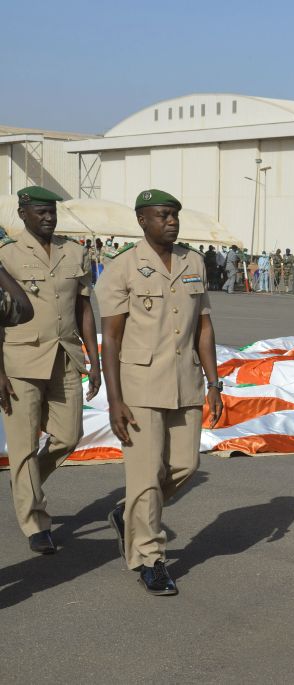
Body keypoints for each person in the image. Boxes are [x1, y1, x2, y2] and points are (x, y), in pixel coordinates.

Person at [97, 189, 223, 596]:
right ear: (142, 220)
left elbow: (203, 325)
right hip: (139, 387)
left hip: (185, 381)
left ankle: (128, 513)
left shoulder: (193, 261)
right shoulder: (122, 268)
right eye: (162, 215)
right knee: (147, 476)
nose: (171, 221)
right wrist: (115, 400)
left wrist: (215, 383)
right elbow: (111, 340)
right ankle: (150, 558)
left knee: (185, 466)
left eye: (174, 215)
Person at [0, 186, 100, 555]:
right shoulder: (6, 255)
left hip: (65, 357)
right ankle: (36, 523)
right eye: (41, 211)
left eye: (52, 212)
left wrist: (95, 359)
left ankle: (25, 485)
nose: (48, 217)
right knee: (23, 445)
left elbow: (84, 308)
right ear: (23, 213)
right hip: (19, 361)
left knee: (68, 437)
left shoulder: (74, 252)